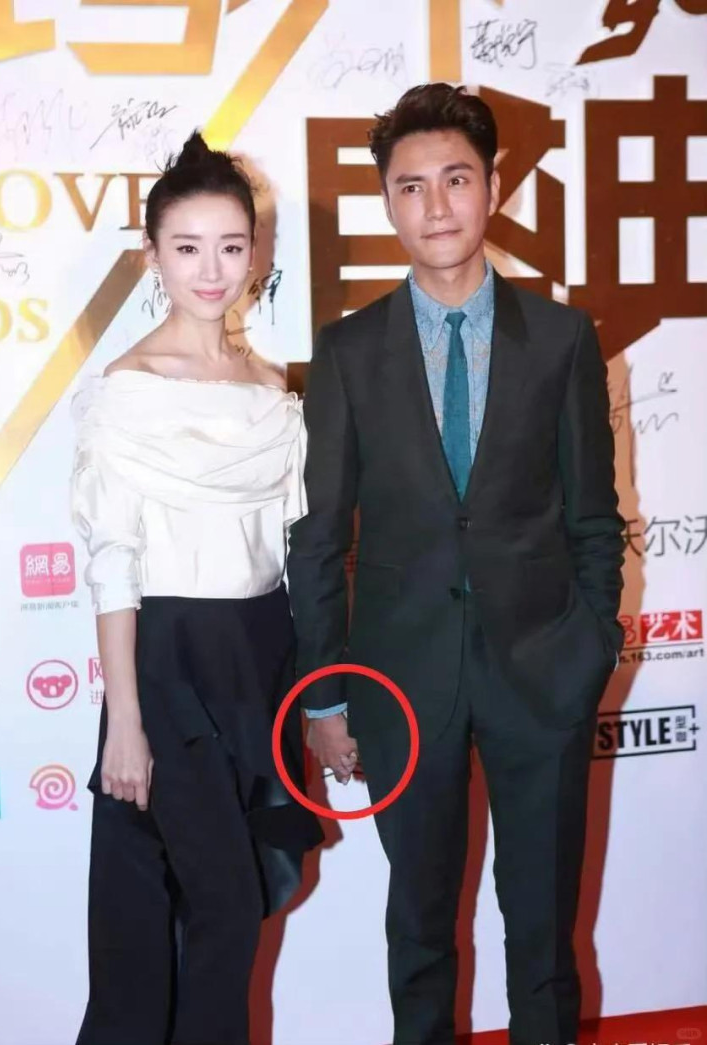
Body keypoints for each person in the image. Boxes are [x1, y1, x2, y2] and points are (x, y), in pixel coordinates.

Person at [287, 84, 624, 1045]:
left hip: (543, 674)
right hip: (401, 679)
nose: (436, 207)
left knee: (543, 934)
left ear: (493, 187)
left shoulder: (561, 338)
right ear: (387, 203)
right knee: (421, 930)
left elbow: (594, 518)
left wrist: (591, 645)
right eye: (411, 187)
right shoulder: (348, 351)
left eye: (456, 179)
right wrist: (324, 694)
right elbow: (321, 534)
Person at [70, 131, 322, 1045]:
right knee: (213, 906)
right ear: (153, 256)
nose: (211, 270)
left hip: (261, 654)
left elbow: (288, 545)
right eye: (187, 247)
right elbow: (114, 562)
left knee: (228, 897)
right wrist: (125, 722)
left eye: (230, 246)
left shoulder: (270, 385)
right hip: (167, 663)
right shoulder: (129, 388)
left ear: (256, 253)